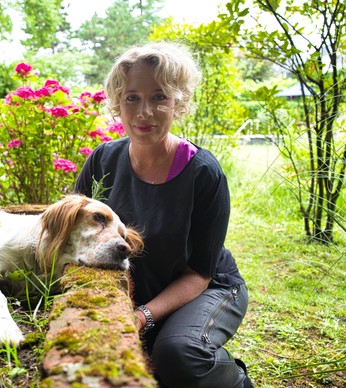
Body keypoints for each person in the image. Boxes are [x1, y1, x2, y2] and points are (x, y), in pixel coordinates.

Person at [74, 42, 253, 387]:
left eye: (159, 97)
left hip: (207, 286)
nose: (144, 112)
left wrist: (143, 315)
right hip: (145, 284)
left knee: (178, 353)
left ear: (178, 103)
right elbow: (72, 229)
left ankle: (237, 381)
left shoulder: (203, 172)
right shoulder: (102, 161)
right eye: (132, 98)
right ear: (117, 103)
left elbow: (200, 273)